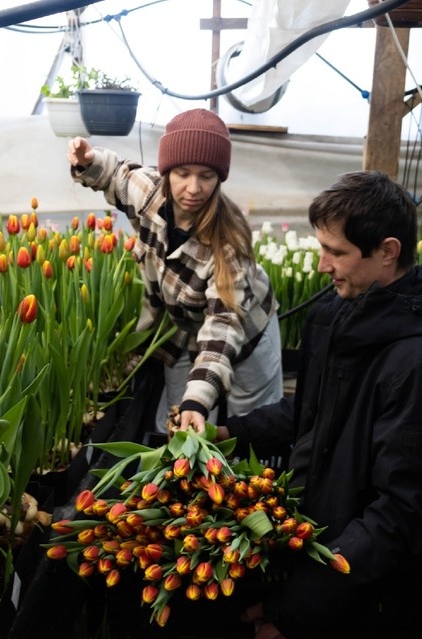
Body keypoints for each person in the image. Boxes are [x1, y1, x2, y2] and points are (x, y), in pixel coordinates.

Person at [210, 170, 422, 638]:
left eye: (335, 252)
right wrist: (228, 433)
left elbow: (400, 518)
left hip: (372, 600)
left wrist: (297, 610)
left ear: (388, 251)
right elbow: (311, 416)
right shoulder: (344, 314)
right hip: (327, 555)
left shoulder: (421, 367)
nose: (322, 266)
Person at [67, 108, 283, 435]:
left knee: (248, 418)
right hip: (183, 326)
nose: (193, 188)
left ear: (220, 178)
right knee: (176, 420)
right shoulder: (149, 194)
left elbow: (223, 326)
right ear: (167, 171)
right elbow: (114, 174)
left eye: (206, 176)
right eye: (183, 173)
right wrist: (87, 159)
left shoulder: (228, 243)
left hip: (247, 328)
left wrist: (197, 401)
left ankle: (238, 466)